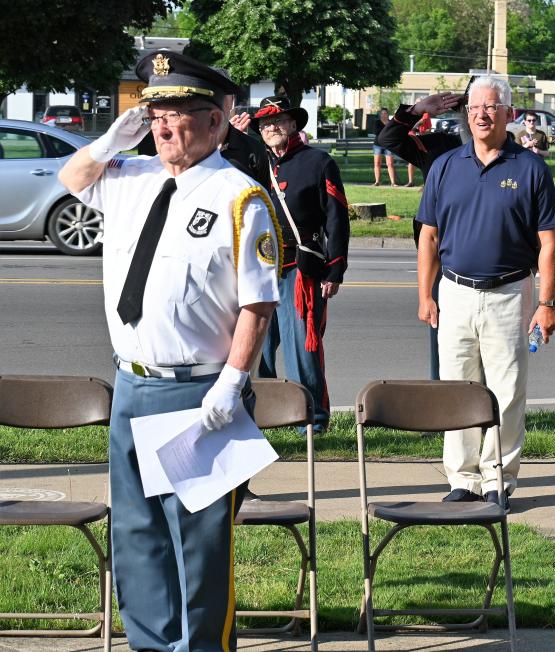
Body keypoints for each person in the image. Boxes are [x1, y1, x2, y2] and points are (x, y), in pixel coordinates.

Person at [57, 50, 280, 651]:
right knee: (137, 534)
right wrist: (111, 137)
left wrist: (232, 385)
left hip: (198, 391)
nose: (161, 126)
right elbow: (70, 180)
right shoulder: (130, 178)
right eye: (154, 112)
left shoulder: (241, 198)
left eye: (177, 114)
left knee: (198, 541)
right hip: (131, 384)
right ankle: (150, 645)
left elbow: (257, 306)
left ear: (216, 122)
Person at [416, 76, 555, 511]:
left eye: (492, 107)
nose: (482, 114)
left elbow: (549, 243)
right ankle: (461, 478)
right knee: (457, 389)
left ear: (509, 114)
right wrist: (426, 295)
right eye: (475, 107)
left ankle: (498, 479)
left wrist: (547, 303)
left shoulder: (531, 168)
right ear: (467, 114)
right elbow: (428, 236)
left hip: (509, 293)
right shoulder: (446, 165)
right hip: (455, 292)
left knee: (507, 389)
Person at [251, 96, 350, 433]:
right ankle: (260, 413)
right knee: (255, 349)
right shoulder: (253, 164)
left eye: (278, 120)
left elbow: (337, 219)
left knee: (301, 348)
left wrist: (335, 268)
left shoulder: (318, 162)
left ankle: (310, 419)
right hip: (258, 268)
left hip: (300, 267)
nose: (271, 127)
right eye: (264, 124)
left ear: (293, 124)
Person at [376, 90, 467, 380]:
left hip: (490, 262)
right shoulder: (441, 146)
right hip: (444, 256)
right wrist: (416, 111)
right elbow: (388, 139)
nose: (477, 115)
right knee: (444, 341)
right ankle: (443, 406)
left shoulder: (510, 153)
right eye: (469, 107)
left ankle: (484, 410)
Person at [372, 107, 398, 186]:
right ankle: (377, 181)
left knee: (390, 164)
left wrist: (385, 132)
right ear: (380, 115)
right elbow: (376, 132)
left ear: (388, 114)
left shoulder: (391, 123)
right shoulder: (377, 122)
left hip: (388, 145)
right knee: (377, 163)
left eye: (385, 113)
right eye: (382, 113)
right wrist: (386, 132)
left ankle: (393, 182)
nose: (384, 115)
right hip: (378, 145)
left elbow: (393, 133)